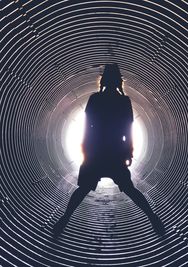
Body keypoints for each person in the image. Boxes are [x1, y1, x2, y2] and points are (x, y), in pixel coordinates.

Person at [53, 63, 165, 237]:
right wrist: (129, 151)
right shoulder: (124, 101)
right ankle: (153, 219)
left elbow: (88, 127)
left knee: (83, 189)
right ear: (118, 82)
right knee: (129, 189)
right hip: (115, 151)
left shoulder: (95, 99)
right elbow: (127, 130)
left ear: (103, 80)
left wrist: (85, 149)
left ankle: (64, 220)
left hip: (96, 150)